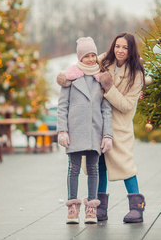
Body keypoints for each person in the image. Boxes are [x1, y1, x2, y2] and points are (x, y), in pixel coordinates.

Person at [57, 32, 146, 223]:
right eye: (117, 46)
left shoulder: (136, 74)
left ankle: (136, 207)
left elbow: (126, 105)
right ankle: (99, 207)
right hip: (97, 124)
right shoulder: (105, 60)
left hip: (119, 126)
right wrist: (66, 78)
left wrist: (109, 88)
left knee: (125, 166)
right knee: (99, 165)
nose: (120, 50)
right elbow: (84, 63)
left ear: (131, 50)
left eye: (125, 47)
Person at [57, 37, 114, 225]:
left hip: (94, 132)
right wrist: (62, 131)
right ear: (80, 58)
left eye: (93, 55)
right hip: (75, 132)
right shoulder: (70, 78)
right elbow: (62, 107)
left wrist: (107, 135)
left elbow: (106, 109)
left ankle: (91, 208)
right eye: (86, 56)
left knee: (93, 169)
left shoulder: (101, 79)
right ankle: (72, 208)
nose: (90, 59)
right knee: (73, 169)